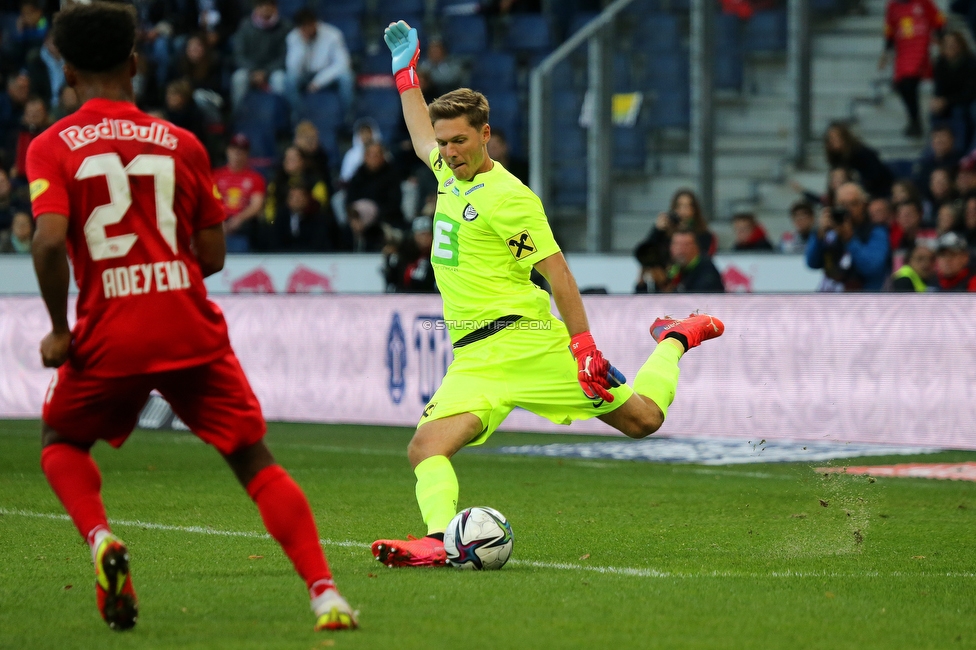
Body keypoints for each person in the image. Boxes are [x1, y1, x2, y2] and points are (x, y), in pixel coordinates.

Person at [24, 2, 356, 633]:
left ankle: (100, 538)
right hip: (186, 324)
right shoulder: (183, 143)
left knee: (61, 442)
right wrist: (163, 276)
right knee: (254, 461)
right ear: (135, 62)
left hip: (108, 331)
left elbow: (45, 241)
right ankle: (326, 594)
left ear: (64, 71)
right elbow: (213, 255)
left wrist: (60, 328)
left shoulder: (49, 147)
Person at [370, 21, 725, 568]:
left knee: (644, 421)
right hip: (474, 357)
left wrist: (583, 346)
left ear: (485, 133)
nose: (448, 151)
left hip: (528, 344)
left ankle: (676, 338)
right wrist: (406, 75)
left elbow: (558, 274)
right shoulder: (446, 170)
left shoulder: (509, 198)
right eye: (445, 143)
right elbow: (421, 136)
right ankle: (439, 542)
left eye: (459, 140)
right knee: (425, 447)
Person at [806, 182, 891, 291]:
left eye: (853, 204)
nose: (848, 209)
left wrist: (850, 239)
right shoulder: (830, 231)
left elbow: (872, 268)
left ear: (863, 205)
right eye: (842, 204)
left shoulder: (876, 231)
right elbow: (812, 263)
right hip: (831, 297)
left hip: (865, 299)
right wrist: (818, 236)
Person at [880, 0, 945, 137]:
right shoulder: (892, 6)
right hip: (903, 50)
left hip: (920, 47)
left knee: (909, 82)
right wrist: (886, 53)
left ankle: (916, 122)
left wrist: (940, 38)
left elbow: (938, 19)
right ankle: (914, 119)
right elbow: (890, 30)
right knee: (901, 85)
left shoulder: (923, 3)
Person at [285, 9, 354, 118]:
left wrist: (318, 82)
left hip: (327, 74)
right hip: (305, 75)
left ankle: (347, 117)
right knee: (289, 79)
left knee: (346, 77)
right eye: (304, 27)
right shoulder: (293, 37)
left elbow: (343, 64)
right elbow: (292, 68)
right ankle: (300, 116)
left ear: (315, 23)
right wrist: (303, 45)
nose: (308, 29)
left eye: (310, 25)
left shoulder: (333, 34)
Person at [230, 0, 290, 110]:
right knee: (238, 78)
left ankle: (280, 116)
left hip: (273, 70)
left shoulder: (285, 26)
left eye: (269, 6)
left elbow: (285, 56)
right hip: (250, 70)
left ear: (275, 8)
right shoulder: (245, 25)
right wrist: (253, 70)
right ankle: (238, 116)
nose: (265, 9)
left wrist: (265, 72)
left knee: (280, 80)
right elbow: (239, 54)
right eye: (261, 6)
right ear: (255, 8)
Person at [213, 133, 267, 252]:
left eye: (242, 150)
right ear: (227, 151)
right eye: (234, 149)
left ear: (247, 154)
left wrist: (239, 219)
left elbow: (256, 205)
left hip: (242, 222)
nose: (237, 154)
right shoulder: (216, 176)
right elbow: (209, 202)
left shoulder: (255, 178)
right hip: (219, 220)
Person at [345, 141, 405, 229]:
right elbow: (350, 200)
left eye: (377, 155)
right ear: (365, 157)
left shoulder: (391, 174)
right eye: (370, 155)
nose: (374, 158)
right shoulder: (358, 175)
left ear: (383, 156)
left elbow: (394, 203)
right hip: (360, 220)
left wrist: (374, 214)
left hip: (385, 219)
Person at [930, 31, 976, 145]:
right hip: (950, 101)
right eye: (947, 44)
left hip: (967, 101)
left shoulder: (970, 63)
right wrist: (938, 101)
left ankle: (960, 148)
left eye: (953, 43)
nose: (951, 47)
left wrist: (946, 101)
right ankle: (935, 149)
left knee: (960, 112)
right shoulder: (940, 64)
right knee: (934, 112)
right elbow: (938, 89)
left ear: (960, 45)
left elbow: (970, 92)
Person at [824, 122, 893, 197]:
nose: (832, 141)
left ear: (845, 138)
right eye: (830, 138)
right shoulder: (836, 157)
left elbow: (875, 176)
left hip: (878, 190)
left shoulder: (861, 152)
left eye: (836, 137)